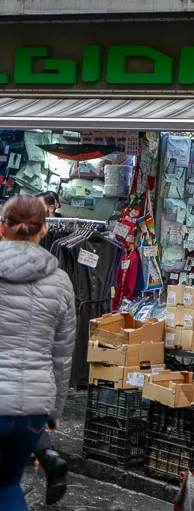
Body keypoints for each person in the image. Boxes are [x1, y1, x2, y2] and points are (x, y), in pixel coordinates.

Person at [0, 195, 76, 510]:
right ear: (44, 229)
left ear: (2, 228)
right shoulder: (61, 282)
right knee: (8, 484)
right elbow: (62, 355)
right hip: (33, 407)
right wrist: (54, 410)